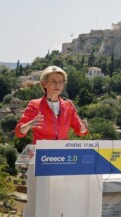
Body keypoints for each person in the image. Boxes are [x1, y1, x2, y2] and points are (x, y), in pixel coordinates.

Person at [15, 65, 89, 217]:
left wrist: (83, 128)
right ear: (44, 84)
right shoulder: (34, 105)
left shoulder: (68, 105)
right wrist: (28, 125)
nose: (57, 85)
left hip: (63, 158)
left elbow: (80, 130)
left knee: (61, 202)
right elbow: (19, 132)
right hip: (39, 159)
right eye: (53, 81)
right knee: (35, 202)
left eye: (61, 81)